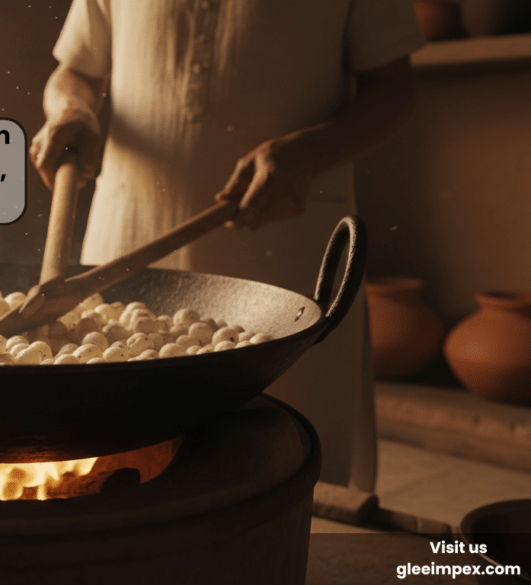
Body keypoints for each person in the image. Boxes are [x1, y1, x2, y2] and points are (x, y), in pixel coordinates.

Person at [31, 0, 424, 489]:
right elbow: (76, 71)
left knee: (283, 459)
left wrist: (308, 151)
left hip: (280, 241)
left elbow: (394, 88)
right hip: (128, 228)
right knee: (116, 458)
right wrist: (72, 110)